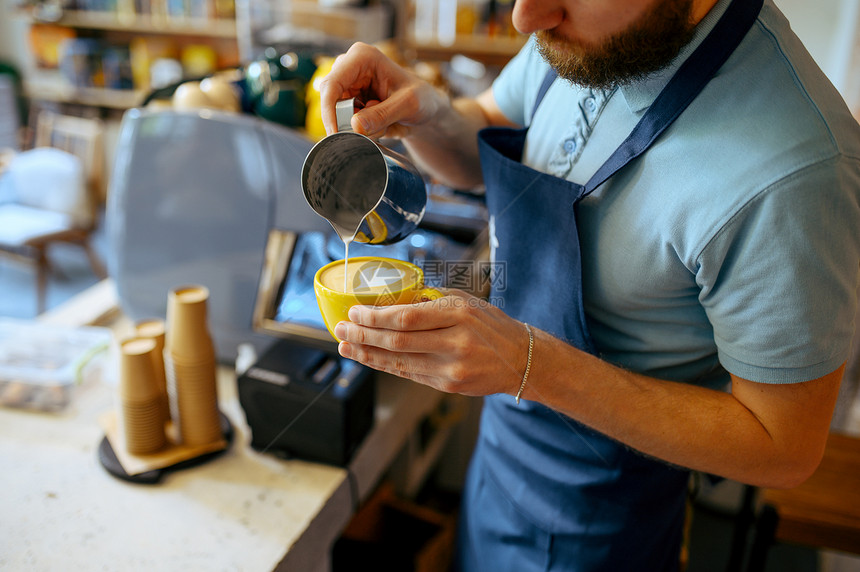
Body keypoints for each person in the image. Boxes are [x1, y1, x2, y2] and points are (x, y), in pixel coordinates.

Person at [319, 0, 860, 569]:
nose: (526, 20)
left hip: (600, 524)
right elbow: (487, 139)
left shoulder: (797, 175)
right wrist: (430, 114)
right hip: (500, 464)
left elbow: (783, 448)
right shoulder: (575, 29)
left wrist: (529, 364)